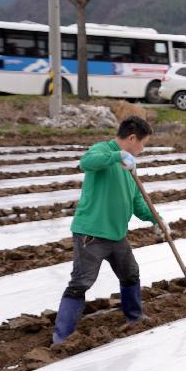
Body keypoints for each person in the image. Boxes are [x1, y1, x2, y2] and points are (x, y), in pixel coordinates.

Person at [52, 116, 163, 344]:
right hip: (91, 234)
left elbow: (136, 202)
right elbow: (86, 162)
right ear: (132, 138)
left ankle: (135, 316)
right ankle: (62, 337)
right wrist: (118, 156)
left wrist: (156, 219)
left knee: (130, 273)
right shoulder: (103, 151)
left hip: (117, 235)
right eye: (142, 144)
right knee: (81, 282)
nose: (142, 149)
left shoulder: (129, 165)